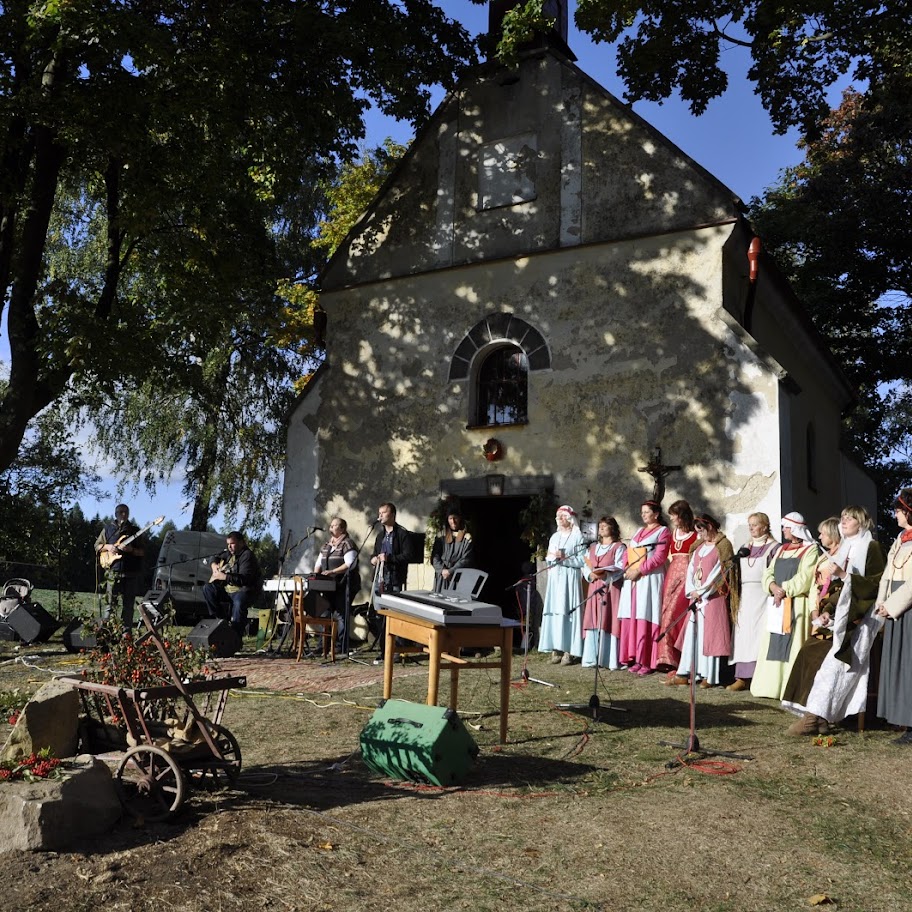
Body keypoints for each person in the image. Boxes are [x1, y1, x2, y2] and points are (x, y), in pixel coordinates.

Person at [785, 505, 886, 735]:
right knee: (831, 666)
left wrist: (842, 575)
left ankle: (814, 718)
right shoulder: (846, 548)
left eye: (849, 518)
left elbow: (876, 584)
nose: (843, 521)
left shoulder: (872, 547)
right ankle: (819, 718)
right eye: (842, 517)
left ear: (861, 522)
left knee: (837, 665)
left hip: (862, 617)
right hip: (842, 616)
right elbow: (838, 588)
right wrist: (828, 610)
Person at [750, 512, 819, 700]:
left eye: (786, 527)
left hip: (796, 604)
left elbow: (805, 578)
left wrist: (784, 589)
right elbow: (768, 572)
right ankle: (770, 688)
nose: (783, 530)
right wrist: (773, 587)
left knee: (792, 646)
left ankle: (788, 689)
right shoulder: (782, 549)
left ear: (795, 528)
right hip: (778, 604)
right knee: (774, 642)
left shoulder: (810, 550)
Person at [780, 517, 843, 712]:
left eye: (823, 533)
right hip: (819, 611)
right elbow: (816, 585)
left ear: (832, 534)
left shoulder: (843, 556)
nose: (819, 536)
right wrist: (814, 609)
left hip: (833, 612)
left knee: (819, 657)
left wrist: (825, 609)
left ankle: (817, 706)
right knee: (810, 655)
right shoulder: (823, 557)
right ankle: (805, 701)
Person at [666, 513, 733, 688]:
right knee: (693, 636)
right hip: (695, 597)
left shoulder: (723, 546)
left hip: (712, 598)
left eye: (701, 531)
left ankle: (709, 676)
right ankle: (685, 672)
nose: (699, 535)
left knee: (710, 637)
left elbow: (720, 573)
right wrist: (691, 591)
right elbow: (691, 570)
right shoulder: (698, 546)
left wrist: (703, 591)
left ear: (709, 527)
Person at [727, 512, 780, 691]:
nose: (751, 529)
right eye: (750, 525)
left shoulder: (775, 547)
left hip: (763, 595)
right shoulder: (744, 547)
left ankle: (758, 675)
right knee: (742, 635)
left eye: (755, 525)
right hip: (745, 595)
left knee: (759, 635)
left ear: (765, 526)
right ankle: (741, 676)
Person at [617, 500, 671, 674]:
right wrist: (627, 567)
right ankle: (634, 656)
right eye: (642, 512)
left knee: (646, 614)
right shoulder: (639, 531)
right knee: (633, 615)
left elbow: (660, 557)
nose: (643, 515)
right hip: (633, 580)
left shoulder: (663, 532)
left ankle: (647, 659)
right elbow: (628, 551)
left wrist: (640, 570)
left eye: (647, 512)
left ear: (656, 514)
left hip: (649, 578)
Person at [876, 489, 912, 744]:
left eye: (898, 510)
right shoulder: (900, 538)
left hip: (908, 609)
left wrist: (894, 605)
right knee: (899, 665)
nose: (895, 515)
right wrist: (882, 603)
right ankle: (904, 720)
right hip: (895, 607)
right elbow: (888, 573)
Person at [538, 505, 586, 665]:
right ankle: (556, 648)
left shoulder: (578, 537)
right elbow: (549, 557)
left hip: (570, 577)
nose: (560, 518)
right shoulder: (554, 537)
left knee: (569, 611)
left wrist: (565, 557)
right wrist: (554, 557)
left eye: (563, 516)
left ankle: (569, 650)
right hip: (556, 578)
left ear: (570, 518)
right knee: (556, 611)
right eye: (559, 516)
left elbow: (582, 560)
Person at [655, 500, 697, 673]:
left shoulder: (695, 535)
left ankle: (678, 658)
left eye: (674, 515)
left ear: (682, 515)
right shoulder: (674, 533)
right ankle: (665, 657)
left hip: (687, 574)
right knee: (666, 612)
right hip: (672, 573)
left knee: (676, 614)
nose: (672, 518)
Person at [581, 516, 626, 669]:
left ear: (612, 528)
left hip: (610, 587)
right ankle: (591, 658)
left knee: (609, 618)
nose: (601, 528)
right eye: (600, 525)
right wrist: (590, 574)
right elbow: (585, 563)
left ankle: (609, 659)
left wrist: (606, 574)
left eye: (605, 526)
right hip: (595, 586)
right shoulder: (593, 547)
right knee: (594, 618)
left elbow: (621, 566)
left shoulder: (619, 547)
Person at [370, 502, 412, 663]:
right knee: (379, 615)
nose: (380, 515)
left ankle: (397, 650)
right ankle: (384, 650)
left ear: (392, 515)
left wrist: (390, 558)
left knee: (395, 615)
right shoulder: (380, 535)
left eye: (383, 513)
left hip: (394, 579)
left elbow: (408, 555)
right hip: (380, 579)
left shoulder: (402, 534)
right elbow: (375, 553)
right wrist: (373, 559)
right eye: (379, 513)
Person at [95, 504, 146, 628]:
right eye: (121, 512)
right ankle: (106, 633)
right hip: (113, 572)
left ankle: (125, 635)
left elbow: (143, 552)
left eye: (126, 512)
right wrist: (108, 547)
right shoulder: (107, 529)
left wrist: (131, 550)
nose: (123, 514)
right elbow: (97, 546)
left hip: (130, 573)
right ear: (116, 514)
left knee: (128, 607)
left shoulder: (135, 531)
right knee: (109, 606)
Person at [203, 531, 263, 637]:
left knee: (239, 602)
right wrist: (213, 565)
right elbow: (214, 557)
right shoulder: (229, 554)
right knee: (208, 589)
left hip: (243, 591)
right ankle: (221, 620)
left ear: (241, 543)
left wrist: (225, 577)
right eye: (228, 544)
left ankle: (236, 635)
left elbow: (245, 579)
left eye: (232, 544)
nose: (229, 547)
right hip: (228, 590)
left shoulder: (247, 556)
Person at [314, 518, 361, 649]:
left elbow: (350, 564)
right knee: (324, 612)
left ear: (342, 529)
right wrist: (315, 577)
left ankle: (341, 645)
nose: (331, 527)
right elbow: (318, 564)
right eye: (331, 525)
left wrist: (333, 571)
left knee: (341, 614)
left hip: (345, 584)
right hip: (328, 585)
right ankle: (323, 644)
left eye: (334, 525)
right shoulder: (326, 546)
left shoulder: (348, 543)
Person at [431, 509, 475, 590]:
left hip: (457, 577)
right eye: (450, 518)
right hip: (442, 576)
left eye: (455, 518)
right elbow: (435, 556)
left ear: (460, 519)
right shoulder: (441, 536)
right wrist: (442, 570)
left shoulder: (467, 538)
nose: (453, 521)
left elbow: (466, 559)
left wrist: (451, 571)